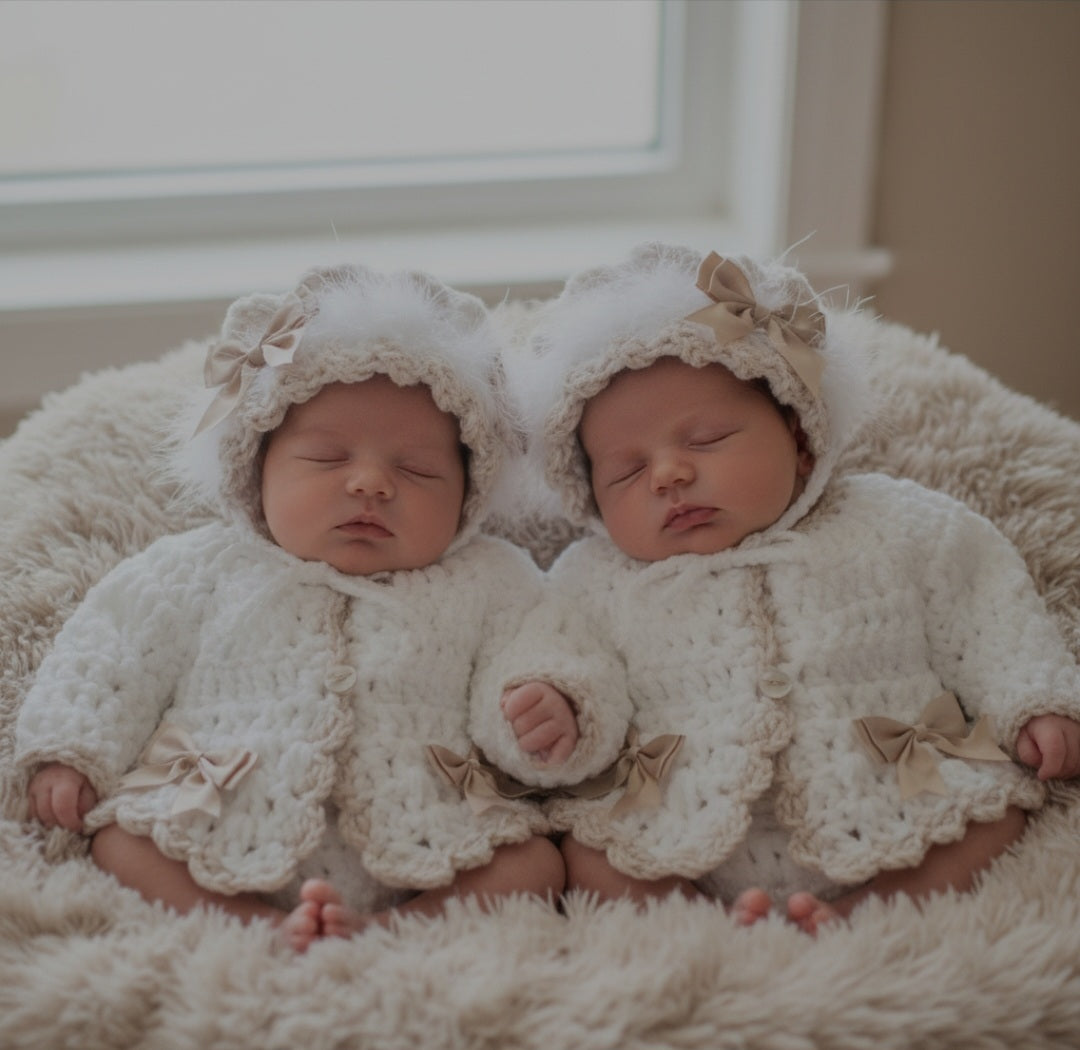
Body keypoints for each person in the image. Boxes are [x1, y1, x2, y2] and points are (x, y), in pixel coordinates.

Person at [502, 242, 1080, 932]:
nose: (667, 476)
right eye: (626, 472)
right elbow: (558, 657)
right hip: (681, 810)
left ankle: (862, 914)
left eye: (707, 439)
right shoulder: (590, 578)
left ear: (801, 441)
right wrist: (558, 705)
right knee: (592, 856)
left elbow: (987, 609)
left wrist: (1034, 701)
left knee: (999, 809)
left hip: (898, 783)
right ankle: (711, 931)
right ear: (591, 498)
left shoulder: (893, 520)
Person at [15, 263, 589, 951]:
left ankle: (388, 931)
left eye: (416, 470)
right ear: (254, 471)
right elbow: (110, 649)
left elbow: (545, 648)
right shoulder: (199, 566)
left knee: (534, 864)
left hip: (432, 815)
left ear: (469, 495)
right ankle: (256, 928)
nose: (372, 484)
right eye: (324, 458)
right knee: (119, 839)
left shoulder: (494, 578)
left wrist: (545, 704)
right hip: (219, 800)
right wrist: (73, 749)